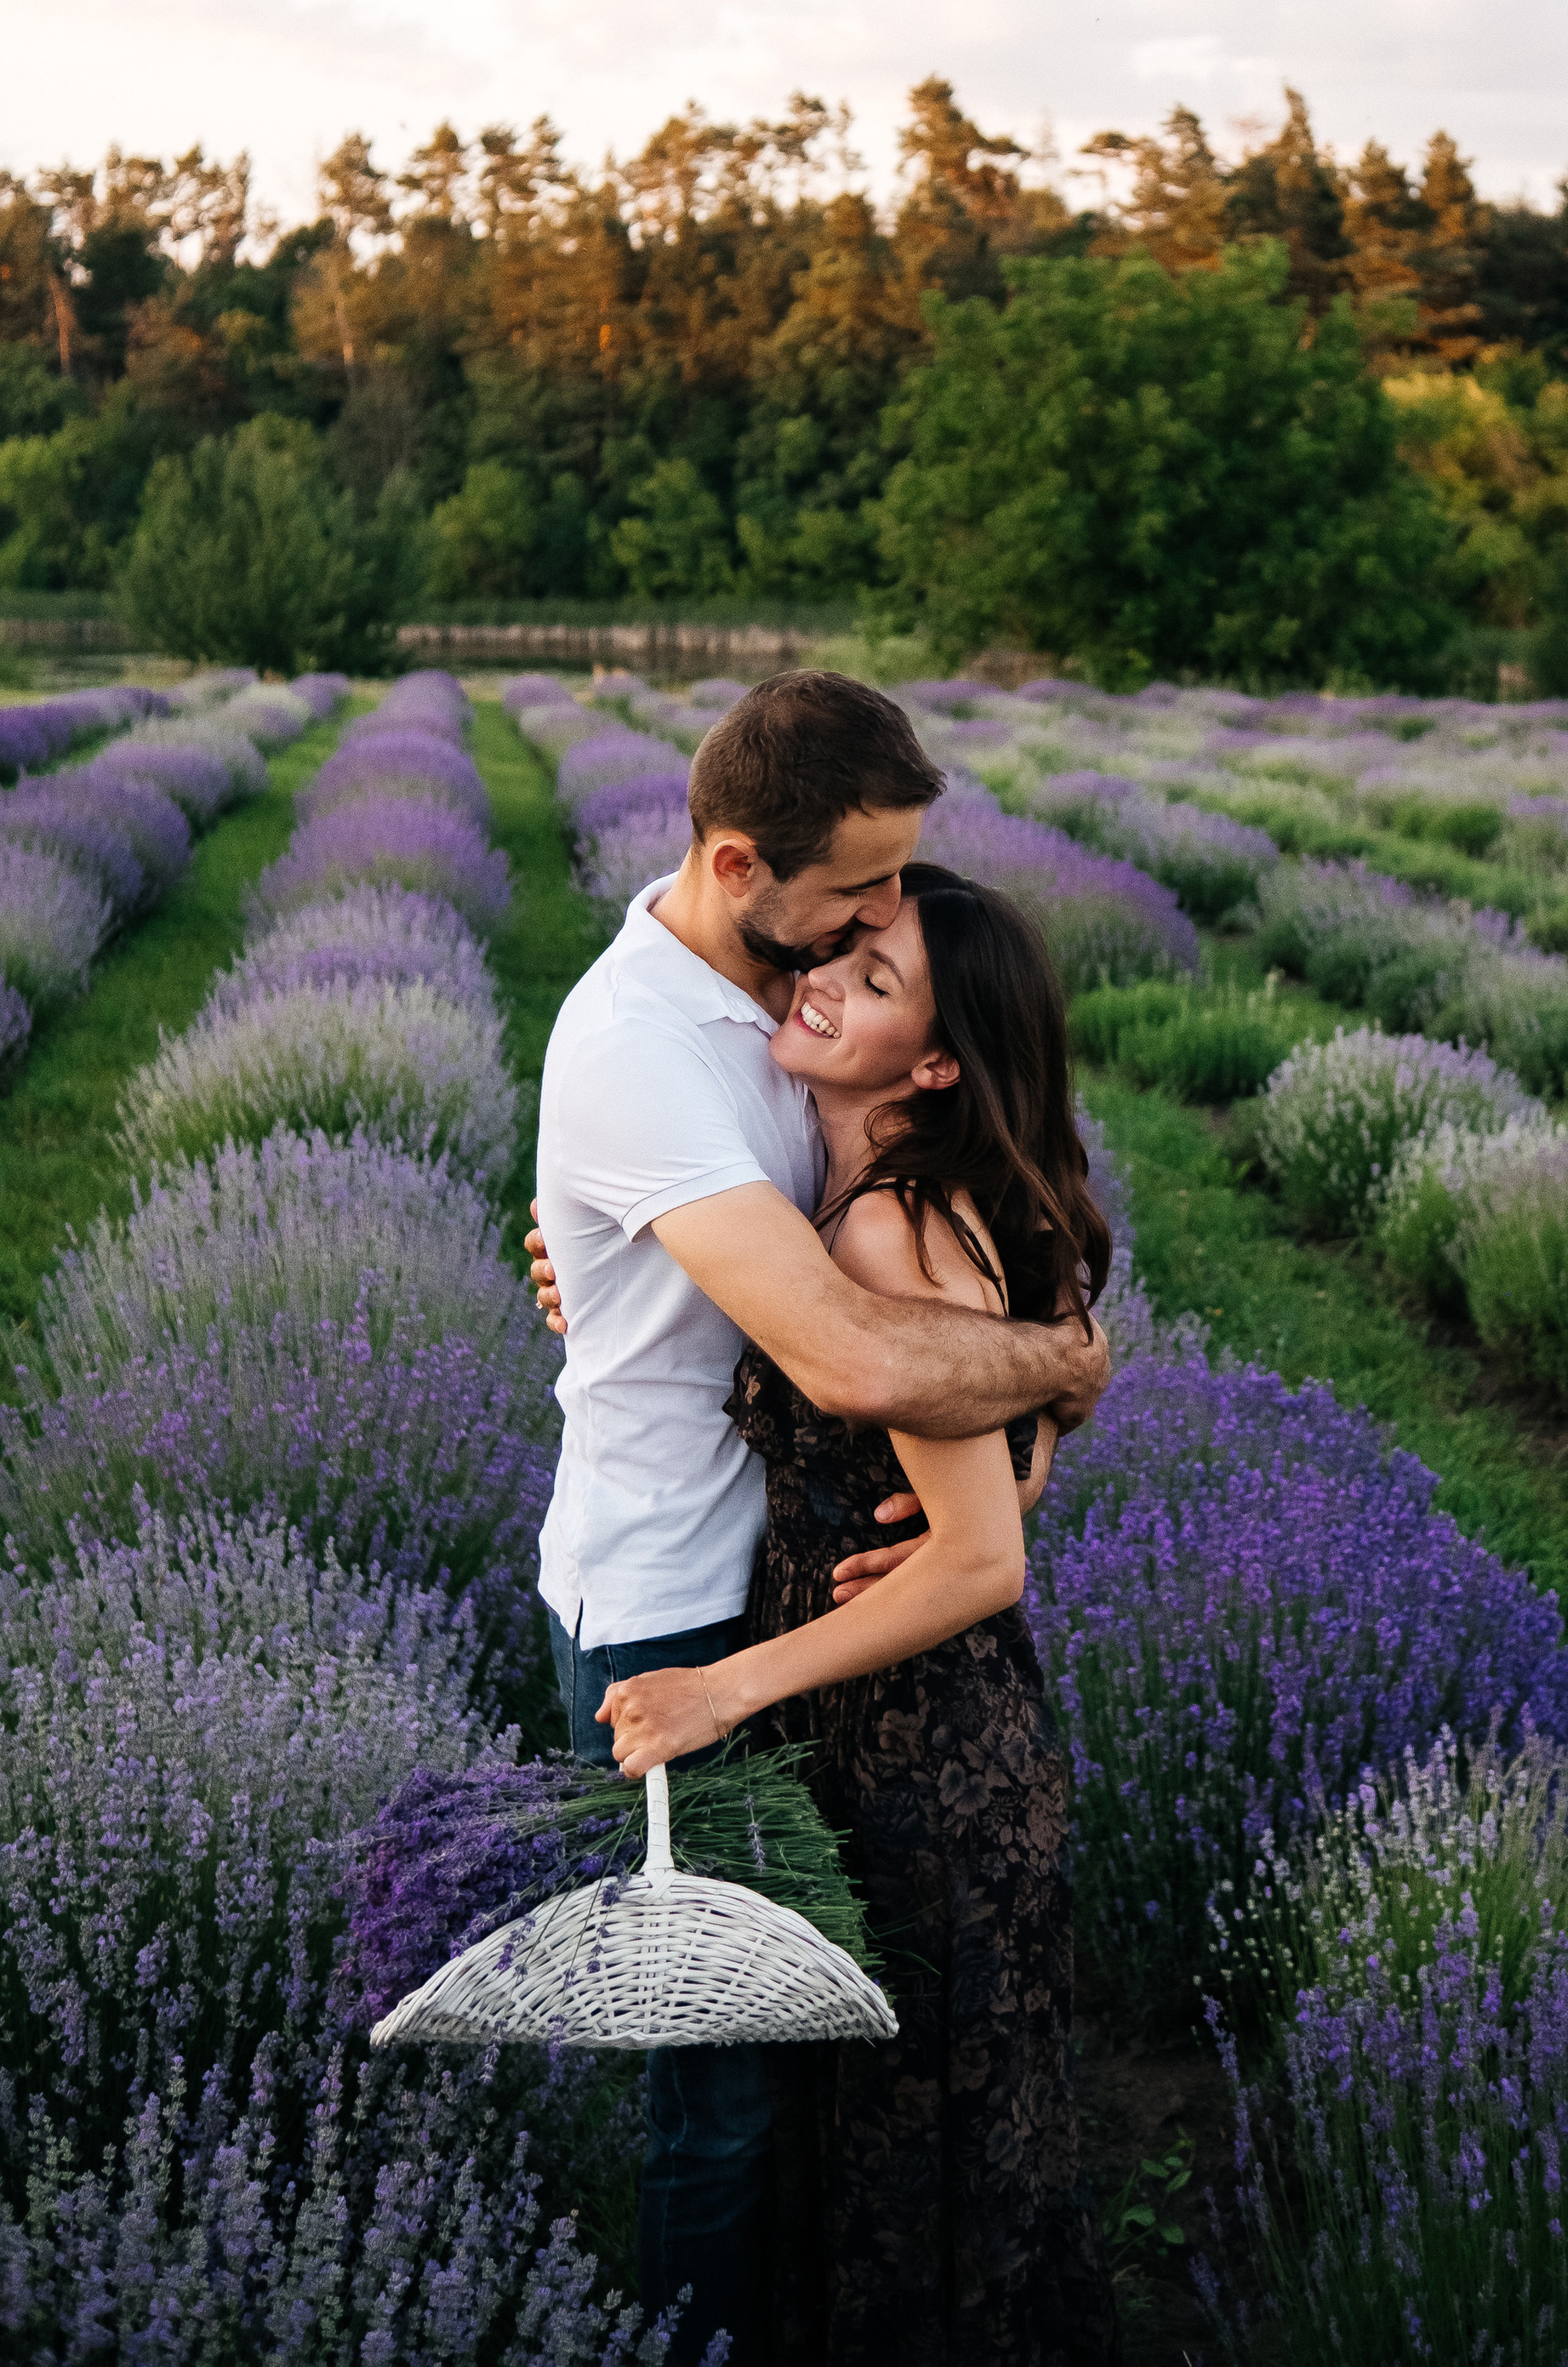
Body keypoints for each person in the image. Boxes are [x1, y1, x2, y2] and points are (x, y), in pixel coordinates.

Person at [533, 671, 1109, 2367]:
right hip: (674, 1608)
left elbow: (934, 1257)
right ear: (738, 864)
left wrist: (1023, 1412)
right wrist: (1062, 1366)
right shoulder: (644, 1044)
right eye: (857, 891)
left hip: (799, 1614)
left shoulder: (783, 1013)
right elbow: (855, 1354)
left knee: (819, 2071)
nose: (879, 912)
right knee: (721, 2094)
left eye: (893, 897)